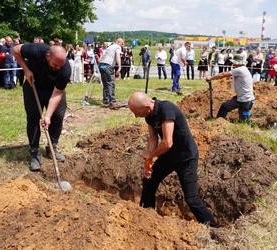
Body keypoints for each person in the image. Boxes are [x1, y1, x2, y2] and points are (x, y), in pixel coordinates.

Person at [128, 92, 218, 227]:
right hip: (169, 156)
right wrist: (148, 158)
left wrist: (152, 155)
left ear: (147, 107)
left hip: (186, 157)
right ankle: (146, 215)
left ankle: (214, 228)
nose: (135, 116)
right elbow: (153, 139)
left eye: (136, 112)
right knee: (149, 180)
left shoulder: (166, 109)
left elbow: (167, 142)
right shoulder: (149, 116)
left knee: (192, 199)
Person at [13, 43, 71, 171]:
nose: (58, 68)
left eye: (60, 65)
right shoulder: (36, 50)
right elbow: (15, 50)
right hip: (33, 86)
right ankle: (34, 153)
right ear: (48, 56)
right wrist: (26, 70)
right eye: (55, 65)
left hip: (53, 90)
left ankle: (52, 148)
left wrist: (48, 116)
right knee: (33, 118)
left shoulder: (65, 69)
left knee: (58, 116)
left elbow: (57, 93)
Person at [206, 54, 255, 121]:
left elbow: (223, 74)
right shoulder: (243, 69)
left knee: (244, 120)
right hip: (241, 98)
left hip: (245, 99)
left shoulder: (240, 70)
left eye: (234, 63)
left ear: (238, 64)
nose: (233, 65)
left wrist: (211, 78)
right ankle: (219, 122)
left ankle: (220, 122)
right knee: (225, 106)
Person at [99, 38, 124, 107]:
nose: (122, 45)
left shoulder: (110, 47)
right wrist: (119, 67)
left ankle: (106, 101)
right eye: (122, 44)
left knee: (105, 84)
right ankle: (112, 101)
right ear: (118, 42)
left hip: (101, 65)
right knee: (110, 83)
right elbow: (118, 56)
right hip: (107, 66)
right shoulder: (117, 47)